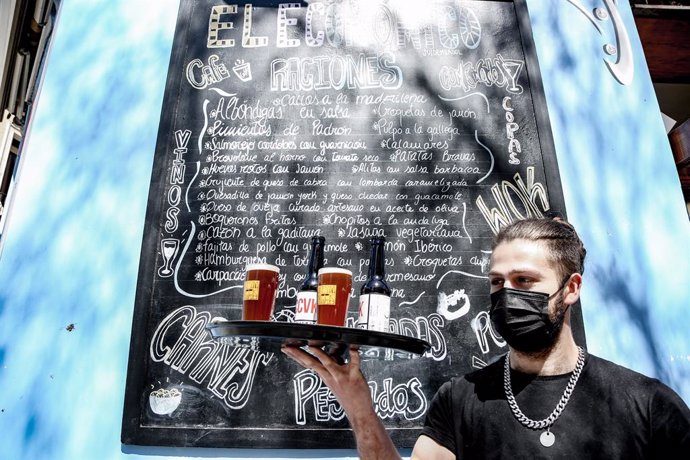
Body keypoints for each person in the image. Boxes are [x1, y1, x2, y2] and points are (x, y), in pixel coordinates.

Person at [282, 217, 690, 459]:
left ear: (571, 288)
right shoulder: (460, 401)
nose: (507, 294)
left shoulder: (648, 405)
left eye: (525, 280)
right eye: (498, 282)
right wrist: (359, 407)